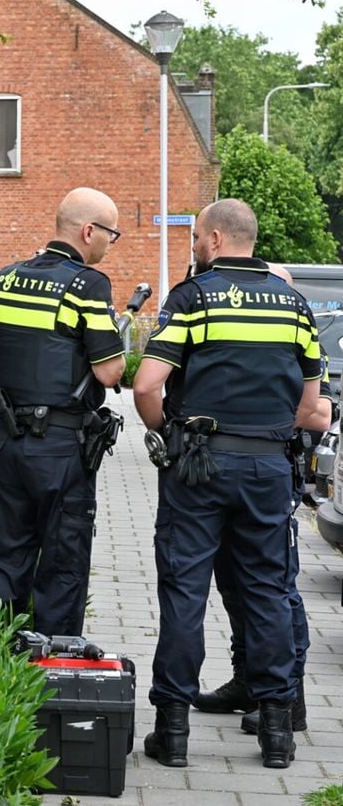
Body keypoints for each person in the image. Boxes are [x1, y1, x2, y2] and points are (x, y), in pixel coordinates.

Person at [134, 198, 322, 769]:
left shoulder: (193, 297)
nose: (193, 245)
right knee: (266, 591)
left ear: (215, 239)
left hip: (200, 465)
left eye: (194, 237)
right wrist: (263, 433)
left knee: (185, 591)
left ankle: (172, 733)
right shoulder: (293, 303)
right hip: (268, 468)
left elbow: (146, 384)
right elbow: (310, 404)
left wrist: (169, 429)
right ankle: (276, 735)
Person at [0, 187, 126, 637]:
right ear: (89, 231)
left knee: (6, 556)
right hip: (62, 448)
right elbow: (109, 372)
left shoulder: (4, 278)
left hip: (8, 442)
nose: (110, 243)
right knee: (63, 560)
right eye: (111, 233)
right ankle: (56, 668)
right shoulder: (86, 284)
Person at [193, 261, 328, 737]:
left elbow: (321, 413)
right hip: (240, 471)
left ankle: (288, 699)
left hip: (274, 471)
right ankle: (247, 679)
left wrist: (262, 421)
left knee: (279, 592)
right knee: (234, 583)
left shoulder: (299, 338)